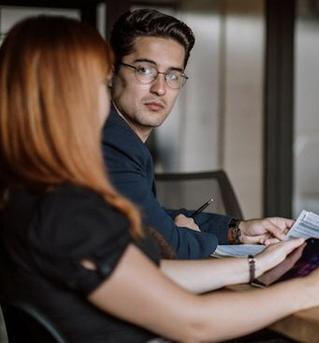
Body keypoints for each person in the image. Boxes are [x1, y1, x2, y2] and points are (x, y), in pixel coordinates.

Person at [0, 16, 319, 342]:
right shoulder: (67, 210)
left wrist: (254, 264)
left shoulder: (30, 194)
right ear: (67, 97)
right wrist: (310, 290)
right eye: (100, 82)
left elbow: (145, 274)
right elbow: (193, 324)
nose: (107, 94)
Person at [103, 9, 287, 259]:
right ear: (111, 73)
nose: (160, 88)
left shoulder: (122, 138)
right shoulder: (111, 144)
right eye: (144, 69)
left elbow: (152, 216)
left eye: (172, 75)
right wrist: (189, 236)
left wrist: (238, 231)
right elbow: (171, 247)